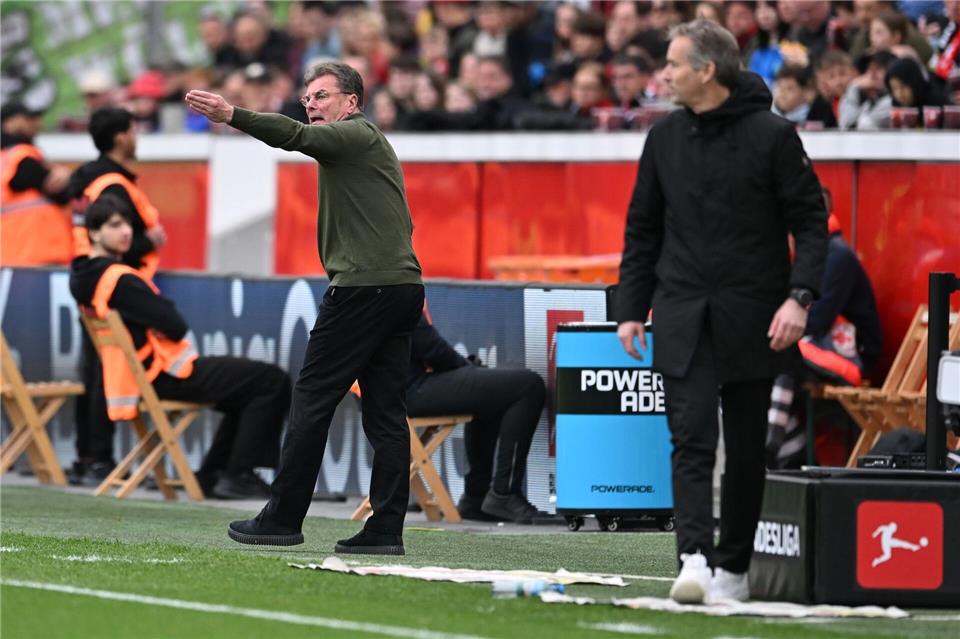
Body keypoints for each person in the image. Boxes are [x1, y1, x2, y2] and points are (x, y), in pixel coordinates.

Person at [615, 19, 827, 605]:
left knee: (747, 446)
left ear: (707, 71)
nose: (664, 74)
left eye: (674, 63)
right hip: (682, 311)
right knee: (690, 440)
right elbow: (643, 229)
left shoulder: (774, 136)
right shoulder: (663, 139)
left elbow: (811, 224)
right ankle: (695, 558)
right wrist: (631, 309)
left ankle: (734, 564)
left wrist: (799, 297)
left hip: (757, 313)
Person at [185, 61, 424, 554]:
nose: (310, 106)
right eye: (307, 99)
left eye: (321, 97)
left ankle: (282, 517)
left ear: (351, 103)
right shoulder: (365, 147)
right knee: (385, 416)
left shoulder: (354, 135)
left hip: (362, 291)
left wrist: (233, 114)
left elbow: (294, 137)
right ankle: (385, 529)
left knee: (312, 401)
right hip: (399, 287)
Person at [69, 195, 291, 499]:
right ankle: (237, 474)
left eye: (128, 225)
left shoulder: (82, 279)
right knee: (270, 380)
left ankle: (213, 475)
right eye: (115, 225)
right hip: (164, 374)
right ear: (93, 233)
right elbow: (173, 323)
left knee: (249, 389)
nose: (126, 232)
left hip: (141, 376)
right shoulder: (120, 279)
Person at [405, 310, 559, 524]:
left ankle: (475, 498)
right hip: (409, 390)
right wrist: (466, 367)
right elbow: (430, 347)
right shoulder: (393, 281)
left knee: (490, 391)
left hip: (388, 392)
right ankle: (503, 493)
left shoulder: (361, 287)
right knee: (528, 386)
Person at [766, 189, 882, 469]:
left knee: (780, 354)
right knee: (765, 356)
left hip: (852, 356)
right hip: (821, 348)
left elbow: (816, 319)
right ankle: (790, 444)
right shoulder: (822, 253)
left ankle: (772, 444)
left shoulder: (837, 256)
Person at [0, 101, 73, 266]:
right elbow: (62, 193)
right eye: (28, 118)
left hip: (14, 257)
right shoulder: (21, 157)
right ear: (10, 123)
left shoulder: (7, 157)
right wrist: (68, 176)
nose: (35, 123)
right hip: (36, 257)